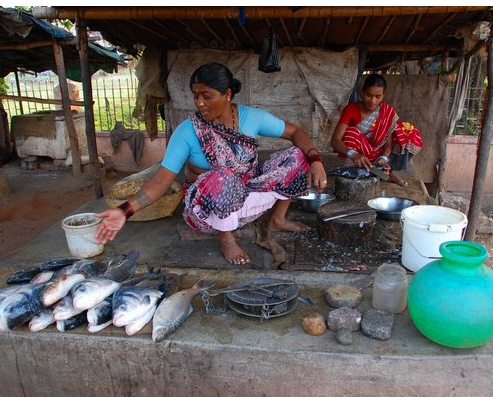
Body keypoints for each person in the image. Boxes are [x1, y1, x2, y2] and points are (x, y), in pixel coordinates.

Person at [94, 62, 327, 266]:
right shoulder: (187, 131)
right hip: (209, 214)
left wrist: (315, 160)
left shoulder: (251, 117)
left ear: (227, 94)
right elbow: (160, 180)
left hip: (248, 198)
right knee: (223, 176)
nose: (200, 103)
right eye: (195, 96)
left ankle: (277, 220)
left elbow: (296, 132)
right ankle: (226, 238)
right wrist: (125, 210)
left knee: (298, 156)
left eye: (207, 96)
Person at [329, 73, 422, 172]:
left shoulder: (387, 112)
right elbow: (335, 140)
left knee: (408, 130)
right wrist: (353, 154)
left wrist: (383, 159)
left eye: (378, 97)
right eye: (369, 95)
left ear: (383, 94)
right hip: (354, 157)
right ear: (362, 92)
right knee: (352, 132)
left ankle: (373, 168)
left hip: (375, 158)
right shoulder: (350, 110)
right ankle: (351, 169)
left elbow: (387, 145)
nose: (372, 101)